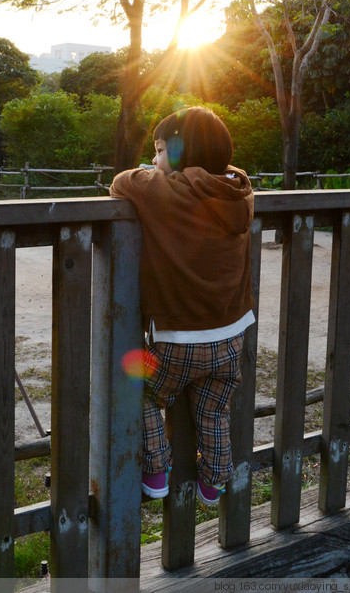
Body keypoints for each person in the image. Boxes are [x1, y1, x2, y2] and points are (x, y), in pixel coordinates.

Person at [110, 106, 255, 505]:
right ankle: (214, 482)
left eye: (160, 150)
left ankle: (156, 471)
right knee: (213, 411)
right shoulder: (240, 191)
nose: (155, 160)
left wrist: (156, 171)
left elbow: (121, 182)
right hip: (230, 339)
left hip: (177, 339)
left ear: (178, 155)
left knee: (138, 390)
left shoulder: (163, 189)